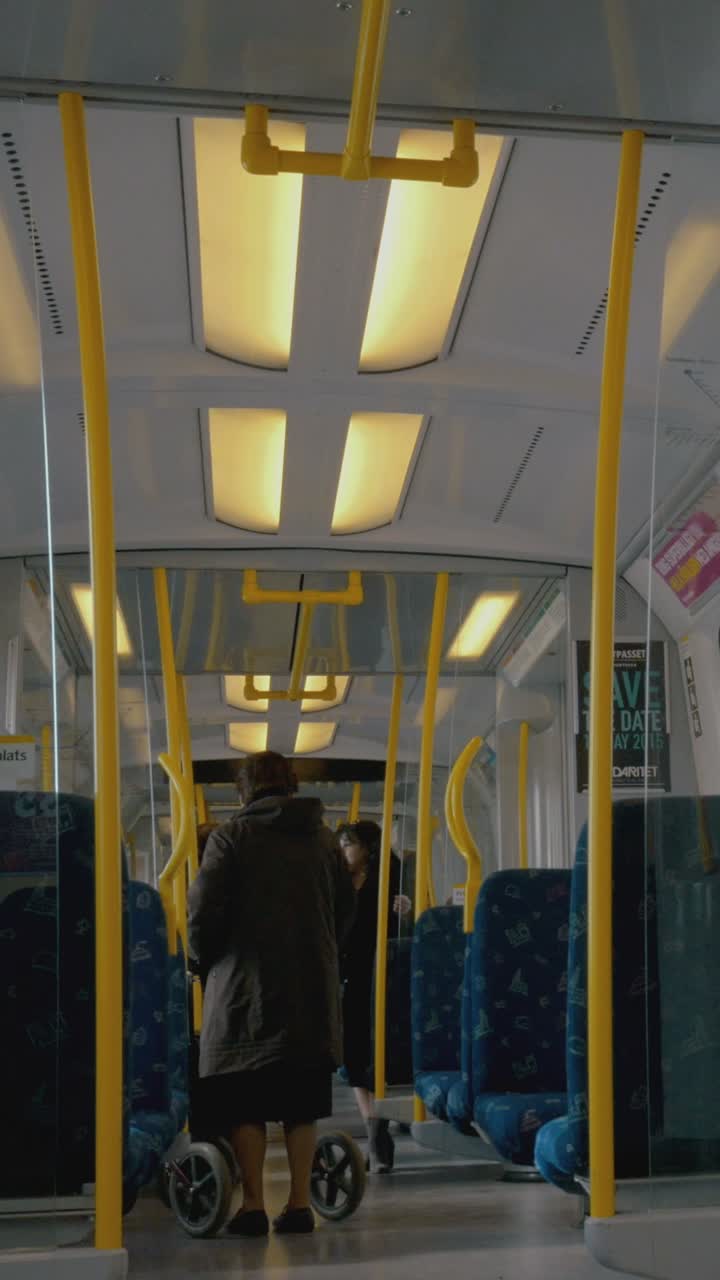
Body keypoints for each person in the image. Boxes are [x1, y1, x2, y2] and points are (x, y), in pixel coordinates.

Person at [188, 751, 355, 1237]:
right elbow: (345, 910)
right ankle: (301, 1203)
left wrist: (202, 957)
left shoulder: (230, 837)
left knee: (246, 1098)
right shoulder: (323, 840)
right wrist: (319, 950)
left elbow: (204, 912)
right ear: (292, 784)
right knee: (301, 1099)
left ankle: (255, 1204)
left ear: (244, 789)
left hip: (245, 985)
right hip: (310, 985)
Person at [337, 820, 411, 1174]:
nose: (342, 851)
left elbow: (404, 922)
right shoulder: (336, 881)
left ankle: (379, 1130)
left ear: (366, 849)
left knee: (378, 1051)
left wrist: (405, 909)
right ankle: (374, 1129)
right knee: (354, 1055)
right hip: (349, 976)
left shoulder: (392, 878)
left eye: (347, 845)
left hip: (383, 973)